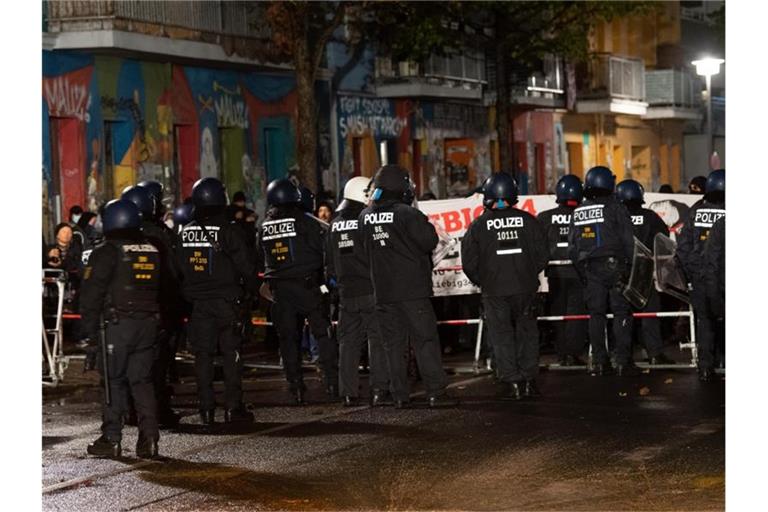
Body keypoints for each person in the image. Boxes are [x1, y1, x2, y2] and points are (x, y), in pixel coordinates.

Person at [359, 165, 455, 408]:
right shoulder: (407, 214)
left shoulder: (364, 216)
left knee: (393, 345)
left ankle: (398, 395)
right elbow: (429, 241)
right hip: (412, 291)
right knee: (425, 341)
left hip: (382, 291)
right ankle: (436, 392)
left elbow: (362, 251)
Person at [80, 199, 161, 459]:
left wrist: (89, 333)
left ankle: (111, 438)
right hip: (147, 324)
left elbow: (91, 295)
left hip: (116, 326)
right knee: (142, 382)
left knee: (113, 382)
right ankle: (149, 440)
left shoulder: (107, 251)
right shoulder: (151, 248)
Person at [176, 177, 257, 425]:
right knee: (231, 356)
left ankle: (206, 409)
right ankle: (233, 407)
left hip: (199, 305)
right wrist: (251, 294)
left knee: (203, 358)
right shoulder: (229, 230)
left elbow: (178, 269)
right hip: (227, 303)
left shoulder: (185, 231)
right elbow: (247, 267)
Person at [462, 172, 548, 400]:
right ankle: (529, 381)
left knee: (502, 336)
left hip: (495, 291)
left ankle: (512, 384)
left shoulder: (478, 225)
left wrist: (485, 280)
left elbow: (469, 262)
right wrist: (528, 275)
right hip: (525, 288)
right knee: (527, 333)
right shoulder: (529, 221)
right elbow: (542, 255)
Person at [256, 178, 338, 404]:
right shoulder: (306, 222)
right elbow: (322, 252)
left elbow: (260, 258)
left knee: (288, 340)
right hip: (309, 286)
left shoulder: (264, 227)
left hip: (279, 291)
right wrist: (327, 284)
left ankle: (295, 386)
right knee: (323, 334)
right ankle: (332, 381)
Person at [326, 176, 390, 407]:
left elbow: (330, 264)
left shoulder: (334, 224)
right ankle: (379, 389)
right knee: (378, 340)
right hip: (370, 289)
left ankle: (347, 392)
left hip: (346, 292)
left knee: (348, 344)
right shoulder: (367, 220)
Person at [568, 166, 637, 376]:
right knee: (621, 313)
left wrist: (584, 273)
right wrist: (630, 268)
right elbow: (628, 241)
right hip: (615, 266)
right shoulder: (616, 208)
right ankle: (623, 361)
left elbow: (573, 248)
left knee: (595, 315)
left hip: (590, 268)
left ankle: (599, 361)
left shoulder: (578, 211)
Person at [123, 184, 182, 427]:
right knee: (157, 365)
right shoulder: (159, 235)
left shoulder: (118, 237)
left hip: (126, 312)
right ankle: (159, 412)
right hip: (157, 310)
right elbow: (172, 274)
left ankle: (131, 412)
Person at [615, 179, 675, 365]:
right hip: (645, 271)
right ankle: (654, 353)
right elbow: (663, 239)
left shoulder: (614, 216)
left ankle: (622, 357)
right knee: (650, 314)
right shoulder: (650, 216)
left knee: (621, 316)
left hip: (621, 271)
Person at [676, 169, 725, 381]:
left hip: (701, 278)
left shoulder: (695, 212)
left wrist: (693, 272)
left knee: (704, 321)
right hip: (724, 278)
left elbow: (683, 247)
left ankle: (705, 367)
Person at [537, 175, 588, 366]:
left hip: (555, 273)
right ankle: (573, 353)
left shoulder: (544, 217)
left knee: (559, 314)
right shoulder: (586, 214)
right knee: (576, 314)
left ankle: (562, 353)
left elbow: (537, 245)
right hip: (579, 271)